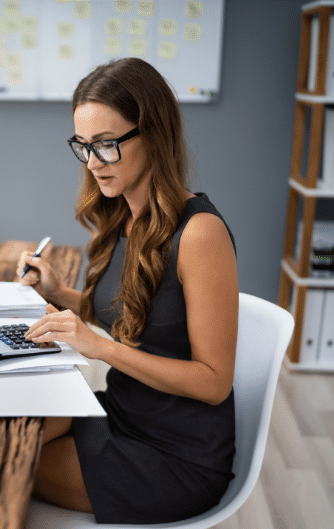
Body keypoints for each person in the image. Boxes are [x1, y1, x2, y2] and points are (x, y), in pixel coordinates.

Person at [17, 57, 238, 524]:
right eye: (83, 146)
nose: (93, 162)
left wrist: (101, 348)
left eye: (107, 144)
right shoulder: (127, 216)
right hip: (122, 413)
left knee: (6, 463)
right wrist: (61, 294)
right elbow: (140, 318)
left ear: (154, 134)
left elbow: (214, 382)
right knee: (0, 434)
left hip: (177, 456)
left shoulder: (200, 234)